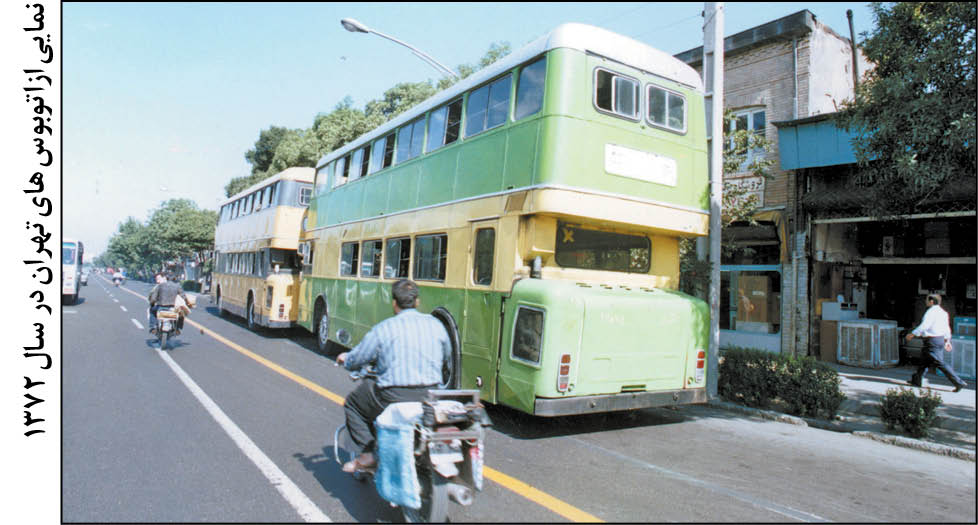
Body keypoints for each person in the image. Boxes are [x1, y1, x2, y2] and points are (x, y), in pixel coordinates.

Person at [335, 279, 452, 473]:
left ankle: (368, 454)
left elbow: (360, 357)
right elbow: (447, 356)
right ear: (417, 302)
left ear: (394, 303)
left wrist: (346, 359)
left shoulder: (384, 328)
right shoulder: (436, 325)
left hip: (393, 396)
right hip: (431, 398)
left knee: (353, 404)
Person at [905, 293, 967, 392]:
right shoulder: (943, 313)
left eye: (926, 300)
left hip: (932, 341)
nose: (925, 301)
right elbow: (946, 327)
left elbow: (925, 325)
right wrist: (947, 340)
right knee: (924, 361)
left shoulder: (931, 312)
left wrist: (912, 334)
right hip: (939, 340)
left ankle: (958, 382)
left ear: (931, 301)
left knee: (940, 363)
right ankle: (916, 380)